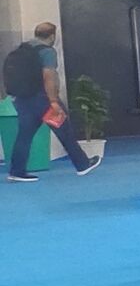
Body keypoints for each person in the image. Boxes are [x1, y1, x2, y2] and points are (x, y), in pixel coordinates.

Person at [5, 23, 102, 181]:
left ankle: (16, 171)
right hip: (43, 100)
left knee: (24, 135)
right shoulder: (47, 52)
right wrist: (53, 101)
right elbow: (48, 76)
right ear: (52, 36)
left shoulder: (20, 50)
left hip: (23, 100)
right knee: (64, 130)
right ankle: (82, 164)